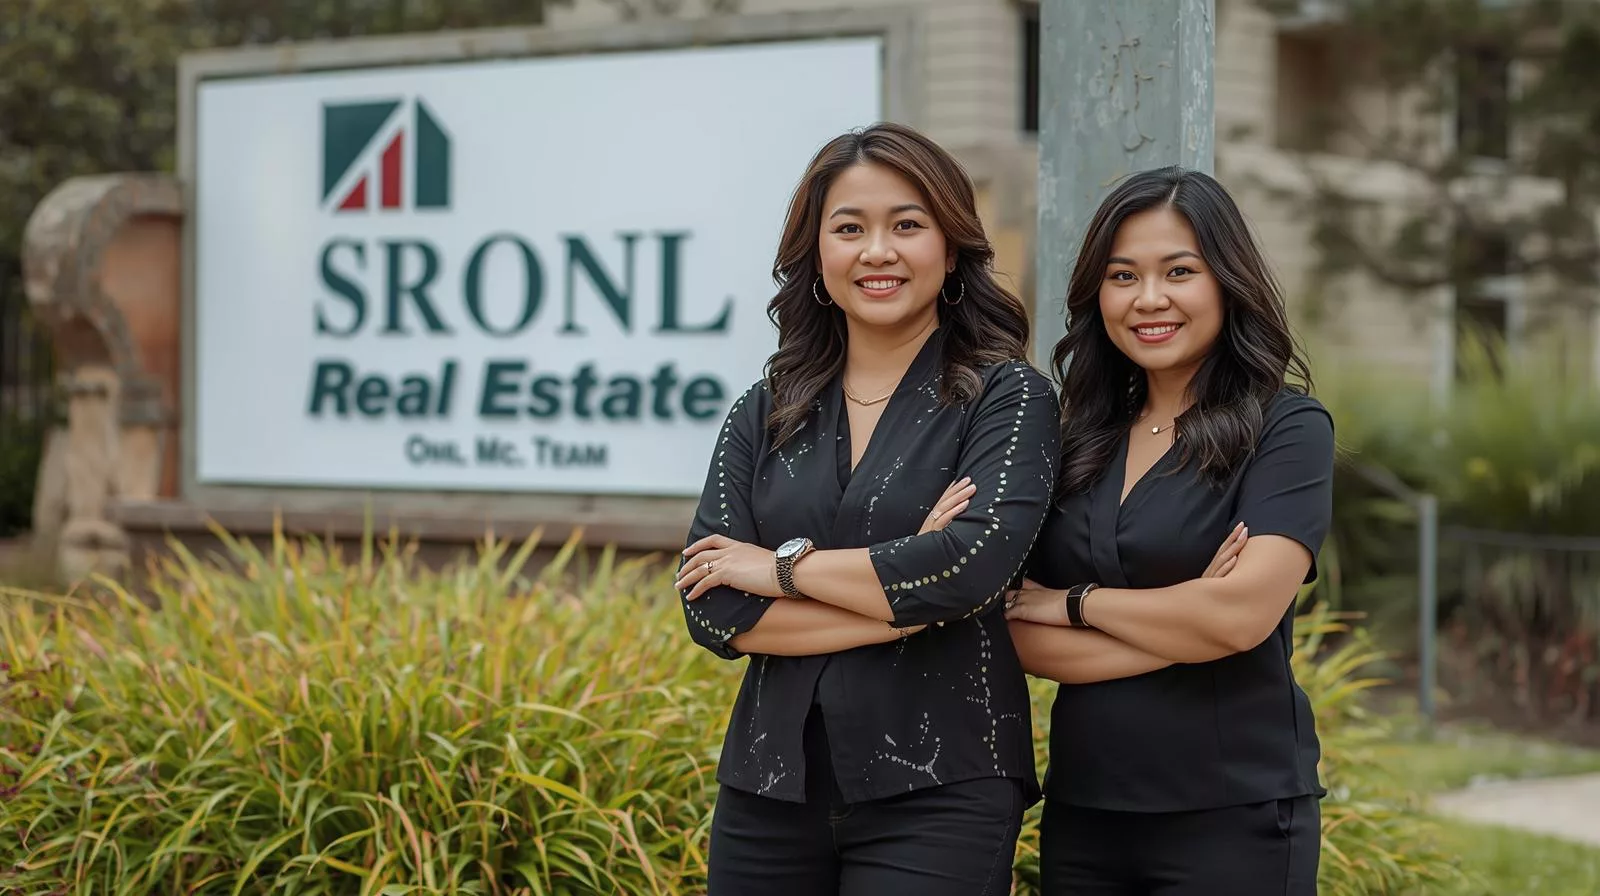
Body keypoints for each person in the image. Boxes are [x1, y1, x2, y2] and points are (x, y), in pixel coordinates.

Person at [671, 122, 1060, 895]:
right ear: (818, 256)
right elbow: (712, 608)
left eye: (906, 226)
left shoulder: (1008, 398)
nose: (877, 251)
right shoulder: (764, 412)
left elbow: (967, 568)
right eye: (849, 229)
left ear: (951, 248)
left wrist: (777, 570)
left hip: (943, 785)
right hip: (769, 784)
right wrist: (907, 604)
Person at [1004, 166, 1334, 895]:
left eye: (1179, 271)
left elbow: (1240, 616)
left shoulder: (1286, 429)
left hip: (1235, 813)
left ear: (1226, 282)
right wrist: (1188, 620)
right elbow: (1016, 634)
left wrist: (1073, 603)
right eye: (1123, 276)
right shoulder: (1074, 438)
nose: (1149, 298)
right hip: (1085, 812)